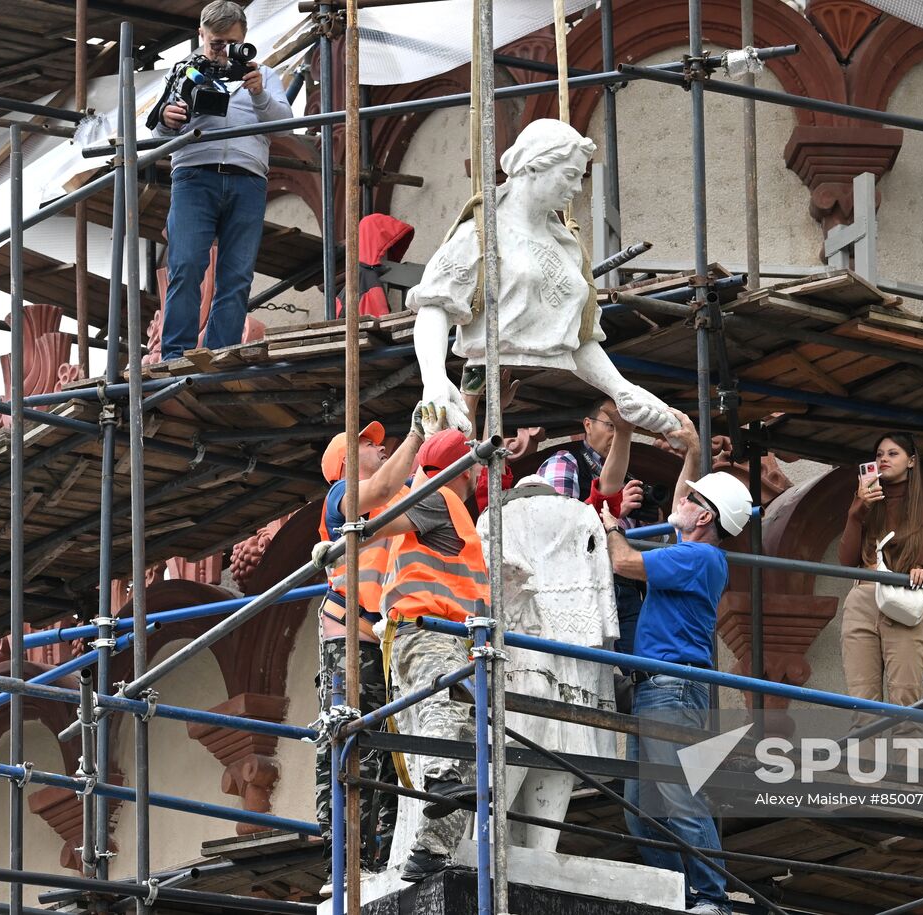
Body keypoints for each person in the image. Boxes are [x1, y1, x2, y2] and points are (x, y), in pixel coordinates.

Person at [406, 118, 677, 435]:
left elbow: (577, 337)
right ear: (534, 166)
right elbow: (435, 305)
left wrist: (621, 389)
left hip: (561, 388)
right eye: (570, 175)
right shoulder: (482, 233)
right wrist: (435, 378)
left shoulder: (567, 245)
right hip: (495, 374)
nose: (577, 188)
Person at [600, 409, 753, 915]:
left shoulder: (698, 558)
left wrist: (610, 523)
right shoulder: (691, 551)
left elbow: (623, 562)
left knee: (678, 797)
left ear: (705, 516)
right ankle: (678, 897)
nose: (678, 501)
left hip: (671, 688)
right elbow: (682, 512)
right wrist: (690, 454)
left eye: (689, 501)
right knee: (642, 811)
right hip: (656, 688)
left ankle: (711, 896)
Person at [365, 428, 489, 883]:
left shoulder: (440, 500)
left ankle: (432, 849)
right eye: (475, 466)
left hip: (452, 636)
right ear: (466, 469)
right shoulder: (438, 496)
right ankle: (440, 779)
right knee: (443, 696)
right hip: (429, 628)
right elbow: (377, 525)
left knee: (469, 748)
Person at [313, 420, 428, 873]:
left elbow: (438, 467)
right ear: (346, 461)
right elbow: (379, 487)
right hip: (352, 643)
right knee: (350, 744)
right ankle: (345, 863)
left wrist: (462, 408)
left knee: (387, 753)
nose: (380, 447)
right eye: (367, 443)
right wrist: (416, 434)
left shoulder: (393, 496)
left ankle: (383, 857)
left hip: (385, 641)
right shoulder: (342, 495)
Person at [152, 0, 294, 360]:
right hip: (195, 177)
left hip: (248, 180)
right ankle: (175, 357)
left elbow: (286, 123)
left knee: (237, 276)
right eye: (216, 43)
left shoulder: (262, 74)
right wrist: (168, 119)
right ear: (200, 35)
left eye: (231, 43)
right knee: (185, 267)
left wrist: (259, 92)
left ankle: (221, 356)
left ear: (244, 38)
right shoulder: (184, 72)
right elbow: (156, 132)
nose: (223, 51)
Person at [837, 433, 923, 733]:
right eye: (878, 454)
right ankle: (865, 781)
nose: (883, 459)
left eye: (893, 453)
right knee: (863, 706)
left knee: (906, 707)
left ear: (912, 461)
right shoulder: (865, 498)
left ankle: (908, 782)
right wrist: (856, 511)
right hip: (863, 597)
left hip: (905, 600)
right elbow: (846, 561)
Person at [538, 398, 645, 656]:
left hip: (625, 586)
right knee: (585, 666)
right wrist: (616, 508)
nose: (617, 434)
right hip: (580, 586)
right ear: (588, 425)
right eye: (612, 426)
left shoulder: (628, 477)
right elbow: (557, 529)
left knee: (643, 669)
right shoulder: (566, 461)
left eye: (624, 429)